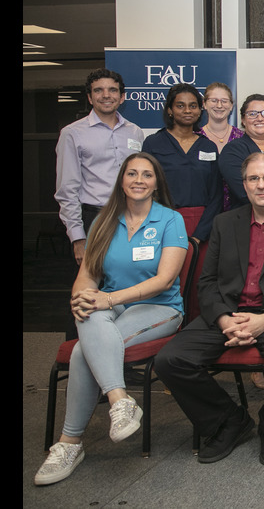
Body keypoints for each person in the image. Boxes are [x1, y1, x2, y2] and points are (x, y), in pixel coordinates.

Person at [156, 152, 264, 467]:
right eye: (253, 179)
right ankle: (229, 421)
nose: (261, 185)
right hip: (228, 314)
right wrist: (223, 320)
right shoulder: (224, 223)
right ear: (244, 185)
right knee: (169, 360)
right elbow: (206, 283)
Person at [35, 153, 187, 485]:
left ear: (156, 183)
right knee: (89, 320)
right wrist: (82, 298)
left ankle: (70, 441)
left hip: (161, 308)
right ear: (121, 180)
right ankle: (119, 401)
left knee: (81, 351)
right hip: (112, 308)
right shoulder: (104, 220)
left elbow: (163, 280)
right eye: (131, 173)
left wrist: (107, 299)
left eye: (147, 175)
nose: (139, 180)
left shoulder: (170, 220)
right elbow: (87, 277)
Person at [56, 68, 145, 266]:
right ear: (90, 97)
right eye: (98, 90)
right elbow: (66, 190)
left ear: (122, 97)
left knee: (133, 280)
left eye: (112, 90)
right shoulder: (72, 134)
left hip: (132, 216)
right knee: (94, 287)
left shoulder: (135, 132)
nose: (106, 95)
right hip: (95, 218)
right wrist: (78, 237)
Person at [143, 83, 221, 242]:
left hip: (203, 225)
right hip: (163, 222)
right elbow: (146, 189)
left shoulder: (208, 146)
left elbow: (216, 194)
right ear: (170, 110)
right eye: (180, 105)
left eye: (193, 106)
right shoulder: (153, 143)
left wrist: (200, 235)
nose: (187, 110)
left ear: (200, 110)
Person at [198, 82, 244, 211]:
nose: (219, 105)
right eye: (214, 100)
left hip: (239, 210)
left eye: (224, 101)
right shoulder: (195, 138)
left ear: (231, 106)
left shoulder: (243, 138)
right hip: (204, 210)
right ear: (204, 104)